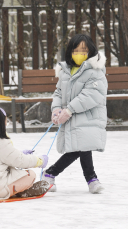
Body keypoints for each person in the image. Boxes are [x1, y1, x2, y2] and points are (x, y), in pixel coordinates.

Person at [42, 34, 108, 194]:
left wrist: (69, 110)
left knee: (81, 147)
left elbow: (91, 94)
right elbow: (58, 92)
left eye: (84, 50)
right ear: (70, 52)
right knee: (81, 147)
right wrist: (56, 109)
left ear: (91, 51)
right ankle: (91, 179)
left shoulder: (96, 70)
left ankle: (51, 173)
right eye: (76, 50)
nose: (80, 54)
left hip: (88, 116)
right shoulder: (65, 71)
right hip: (71, 116)